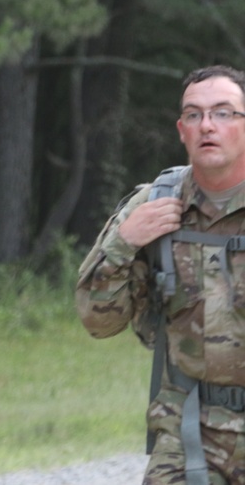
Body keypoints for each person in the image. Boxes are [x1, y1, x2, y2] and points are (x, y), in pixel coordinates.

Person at [76, 65, 245, 485]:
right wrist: (124, 241)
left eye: (223, 113)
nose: (207, 125)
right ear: (181, 130)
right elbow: (98, 321)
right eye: (194, 114)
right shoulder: (154, 205)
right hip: (188, 426)